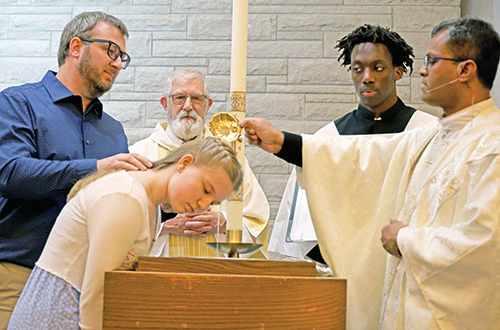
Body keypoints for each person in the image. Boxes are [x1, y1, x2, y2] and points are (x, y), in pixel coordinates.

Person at [241, 18, 500, 330]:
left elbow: (487, 244)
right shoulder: (435, 136)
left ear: (466, 70)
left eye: (432, 60)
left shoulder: (490, 146)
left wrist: (404, 238)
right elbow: (364, 158)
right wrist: (282, 142)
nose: (422, 69)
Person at [0, 11, 152, 328]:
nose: (118, 63)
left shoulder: (114, 131)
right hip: (19, 273)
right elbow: (10, 173)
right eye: (111, 51)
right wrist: (95, 168)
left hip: (89, 286)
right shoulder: (18, 103)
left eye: (123, 56)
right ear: (76, 46)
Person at [7, 137, 242, 330]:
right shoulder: (126, 196)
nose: (204, 204)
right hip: (59, 313)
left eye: (214, 200)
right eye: (205, 189)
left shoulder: (148, 203)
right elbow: (98, 289)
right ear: (184, 163)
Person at [268, 24, 435, 263]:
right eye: (358, 69)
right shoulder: (327, 138)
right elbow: (306, 226)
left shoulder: (426, 131)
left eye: (378, 68)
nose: (367, 78)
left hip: (407, 261)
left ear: (398, 72)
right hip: (343, 266)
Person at [129, 68, 270, 258]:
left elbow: (256, 219)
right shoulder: (139, 154)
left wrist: (223, 222)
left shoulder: (230, 158)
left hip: (215, 273)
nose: (188, 106)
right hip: (156, 272)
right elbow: (118, 222)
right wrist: (163, 226)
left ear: (207, 105)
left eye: (197, 98)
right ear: (165, 104)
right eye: (179, 97)